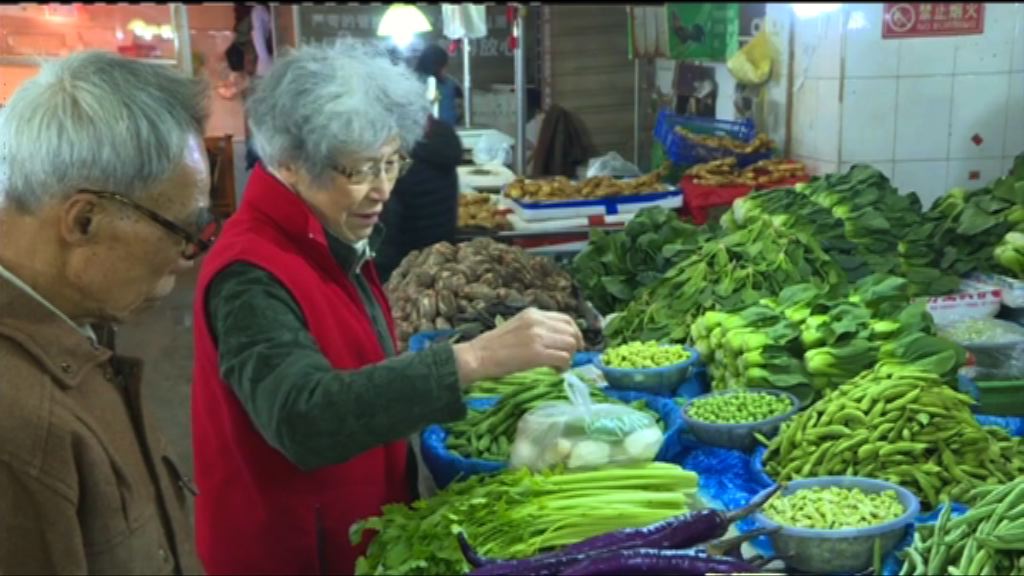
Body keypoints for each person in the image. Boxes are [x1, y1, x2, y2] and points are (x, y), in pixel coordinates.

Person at [191, 39, 583, 575]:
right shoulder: (250, 272)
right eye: (357, 170)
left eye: (391, 163)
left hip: (351, 532)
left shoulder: (326, 235)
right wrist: (470, 360)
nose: (381, 190)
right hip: (292, 552)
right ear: (289, 162)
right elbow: (304, 416)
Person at [0, 51, 216, 574]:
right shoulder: (18, 426)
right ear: (85, 220)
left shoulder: (76, 325)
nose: (185, 260)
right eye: (182, 232)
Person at [376, 115, 463, 283]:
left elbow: (388, 227)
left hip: (403, 269)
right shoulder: (439, 139)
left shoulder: (404, 158)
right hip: (439, 258)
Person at [415, 43, 463, 127]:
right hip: (445, 132)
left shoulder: (413, 82)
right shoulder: (449, 85)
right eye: (445, 66)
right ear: (440, 66)